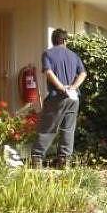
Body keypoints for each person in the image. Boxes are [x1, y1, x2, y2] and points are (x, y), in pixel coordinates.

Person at [31, 28, 86, 169]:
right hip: (73, 98)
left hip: (57, 96)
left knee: (48, 128)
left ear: (53, 40)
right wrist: (73, 87)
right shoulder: (74, 56)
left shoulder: (47, 54)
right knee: (68, 129)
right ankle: (64, 161)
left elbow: (49, 73)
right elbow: (83, 74)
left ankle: (37, 160)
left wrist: (61, 88)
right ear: (65, 40)